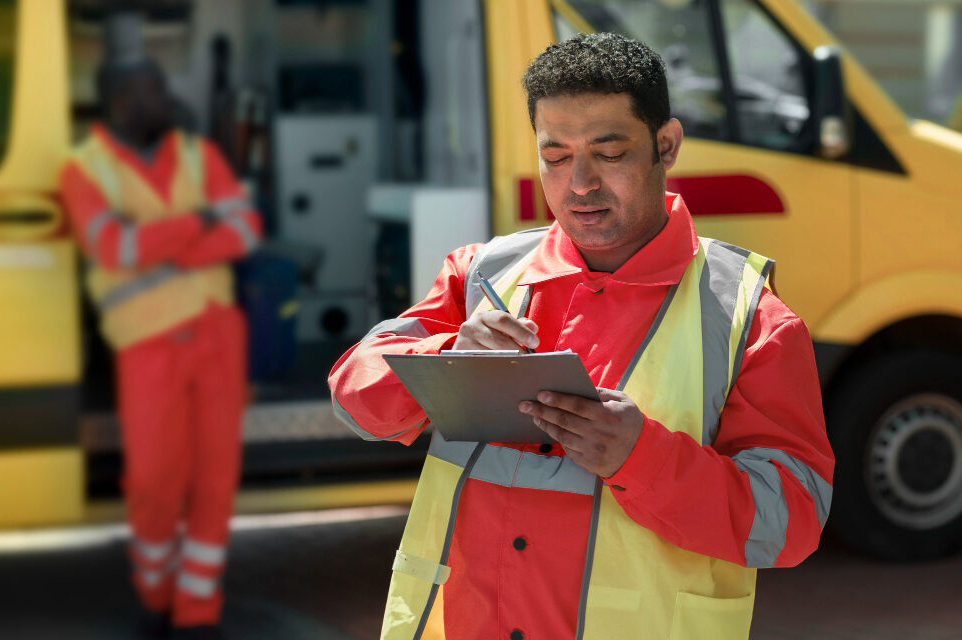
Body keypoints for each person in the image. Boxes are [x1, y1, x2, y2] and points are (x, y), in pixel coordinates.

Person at [330, 33, 834, 640]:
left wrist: (642, 459)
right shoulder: (482, 275)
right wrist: (450, 356)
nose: (580, 183)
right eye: (556, 156)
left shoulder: (751, 318)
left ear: (666, 145)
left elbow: (793, 522)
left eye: (609, 151)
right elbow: (353, 395)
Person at [59, 14, 261, 640]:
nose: (169, 99)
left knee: (215, 477)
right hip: (147, 345)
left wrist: (170, 245)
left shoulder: (199, 155)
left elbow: (244, 231)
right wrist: (194, 226)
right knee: (151, 482)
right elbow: (113, 248)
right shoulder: (85, 168)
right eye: (155, 89)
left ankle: (196, 610)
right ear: (122, 100)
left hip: (216, 335)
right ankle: (155, 596)